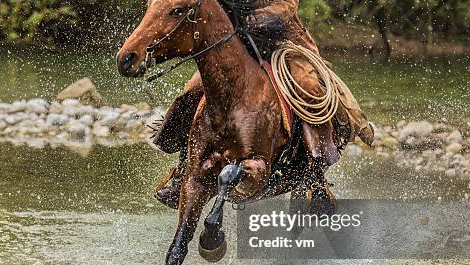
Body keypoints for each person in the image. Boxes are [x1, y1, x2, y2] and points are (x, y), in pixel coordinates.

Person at [152, 0, 374, 209]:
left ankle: (315, 176)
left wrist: (252, 20)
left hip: (284, 43)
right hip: (236, 45)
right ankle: (183, 168)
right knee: (192, 88)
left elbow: (286, 6)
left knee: (310, 88)